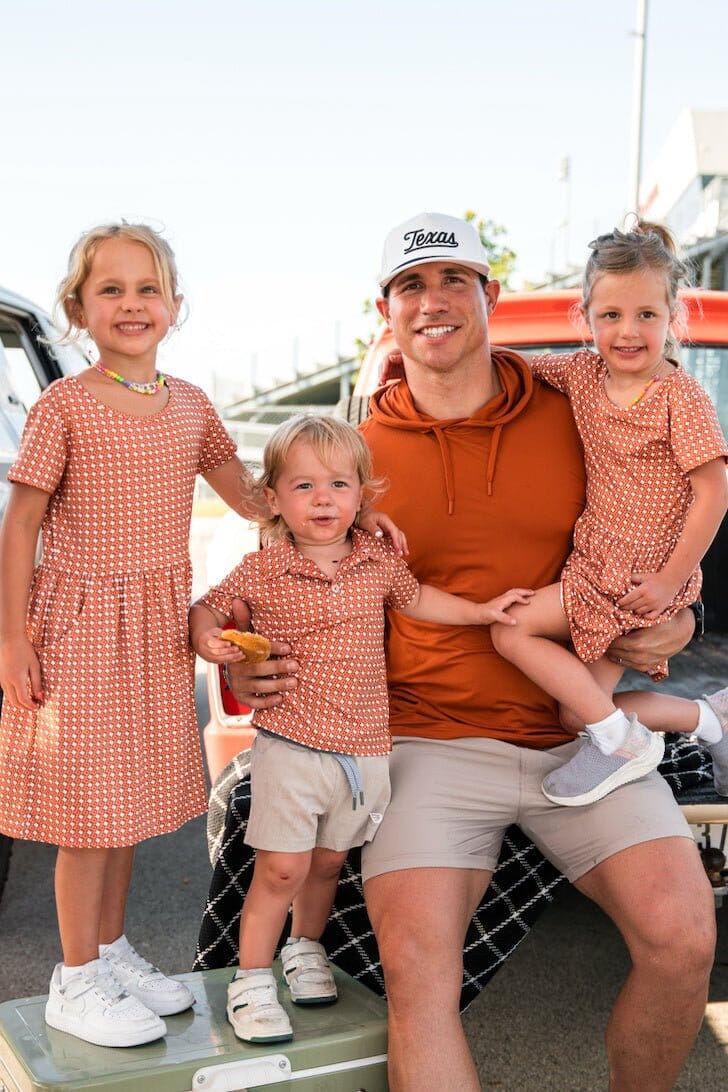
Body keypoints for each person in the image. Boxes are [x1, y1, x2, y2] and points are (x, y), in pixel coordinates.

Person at [226, 211, 717, 1092]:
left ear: (490, 295)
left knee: (684, 940)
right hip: (427, 744)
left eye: (454, 278)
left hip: (583, 740)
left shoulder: (580, 402)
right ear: (387, 310)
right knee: (418, 979)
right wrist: (246, 665)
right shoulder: (352, 455)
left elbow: (664, 509)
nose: (434, 300)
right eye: (412, 285)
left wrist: (681, 617)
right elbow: (286, 589)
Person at [0, 222, 268, 1049]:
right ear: (77, 309)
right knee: (89, 816)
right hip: (81, 626)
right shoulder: (62, 405)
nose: (131, 303)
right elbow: (21, 526)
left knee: (129, 809)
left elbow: (254, 497)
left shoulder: (190, 404)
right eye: (110, 289)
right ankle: (73, 978)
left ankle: (110, 951)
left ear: (176, 306)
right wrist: (12, 641)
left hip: (152, 627)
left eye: (147, 288)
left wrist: (341, 493)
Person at [189, 412, 531, 1044]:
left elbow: (419, 597)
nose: (323, 499)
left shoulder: (375, 560)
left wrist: (482, 611)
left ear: (362, 494)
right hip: (291, 743)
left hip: (366, 748)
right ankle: (252, 978)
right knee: (282, 870)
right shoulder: (263, 567)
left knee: (328, 863)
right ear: (272, 498)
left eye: (339, 485)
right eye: (303, 486)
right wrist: (206, 637)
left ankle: (304, 949)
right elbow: (208, 604)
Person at [489, 222, 728, 806]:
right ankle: (709, 722)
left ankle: (621, 742)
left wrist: (672, 579)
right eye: (611, 316)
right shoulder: (581, 374)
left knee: (509, 627)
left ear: (673, 314)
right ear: (588, 318)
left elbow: (715, 493)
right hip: (596, 566)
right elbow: (513, 368)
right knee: (578, 714)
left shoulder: (682, 397)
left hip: (638, 579)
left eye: (647, 314)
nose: (628, 331)